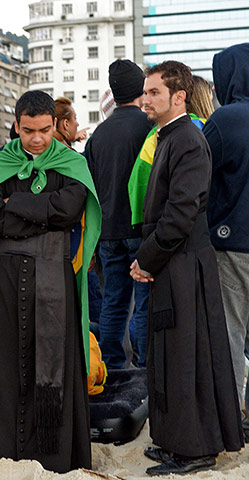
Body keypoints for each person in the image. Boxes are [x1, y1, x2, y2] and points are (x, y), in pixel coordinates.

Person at [0, 90, 100, 473]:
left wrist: (15, 207)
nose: (37, 139)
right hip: (5, 279)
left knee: (52, 367)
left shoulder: (72, 163)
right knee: (3, 365)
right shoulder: (0, 163)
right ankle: (2, 451)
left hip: (55, 273)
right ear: (16, 126)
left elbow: (69, 209)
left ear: (54, 125)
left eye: (43, 130)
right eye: (28, 131)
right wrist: (45, 211)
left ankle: (53, 455)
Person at [132, 60, 244, 476]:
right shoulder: (168, 137)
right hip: (171, 264)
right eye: (146, 91)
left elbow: (182, 212)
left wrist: (147, 257)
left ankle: (195, 449)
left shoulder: (189, 141)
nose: (146, 98)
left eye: (154, 92)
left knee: (187, 359)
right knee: (168, 356)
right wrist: (150, 257)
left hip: (184, 267)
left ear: (179, 96)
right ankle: (175, 440)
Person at [84, 59, 153, 369]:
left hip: (108, 231)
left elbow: (90, 188)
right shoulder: (151, 126)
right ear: (141, 88)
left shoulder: (98, 135)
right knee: (144, 302)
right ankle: (143, 363)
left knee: (114, 301)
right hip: (141, 228)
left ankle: (112, 364)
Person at [203, 43, 249, 440]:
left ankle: (233, 416)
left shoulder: (225, 120)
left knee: (230, 333)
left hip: (231, 243)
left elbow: (197, 177)